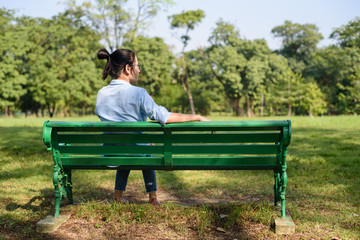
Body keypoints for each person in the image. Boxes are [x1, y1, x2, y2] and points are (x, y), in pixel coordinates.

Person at [95, 48, 210, 206]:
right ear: (128, 69)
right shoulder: (139, 93)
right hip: (137, 153)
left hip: (111, 154)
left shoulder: (101, 93)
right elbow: (165, 117)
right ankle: (153, 198)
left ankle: (118, 196)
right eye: (137, 65)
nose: (139, 69)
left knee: (124, 146)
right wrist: (196, 117)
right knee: (146, 148)